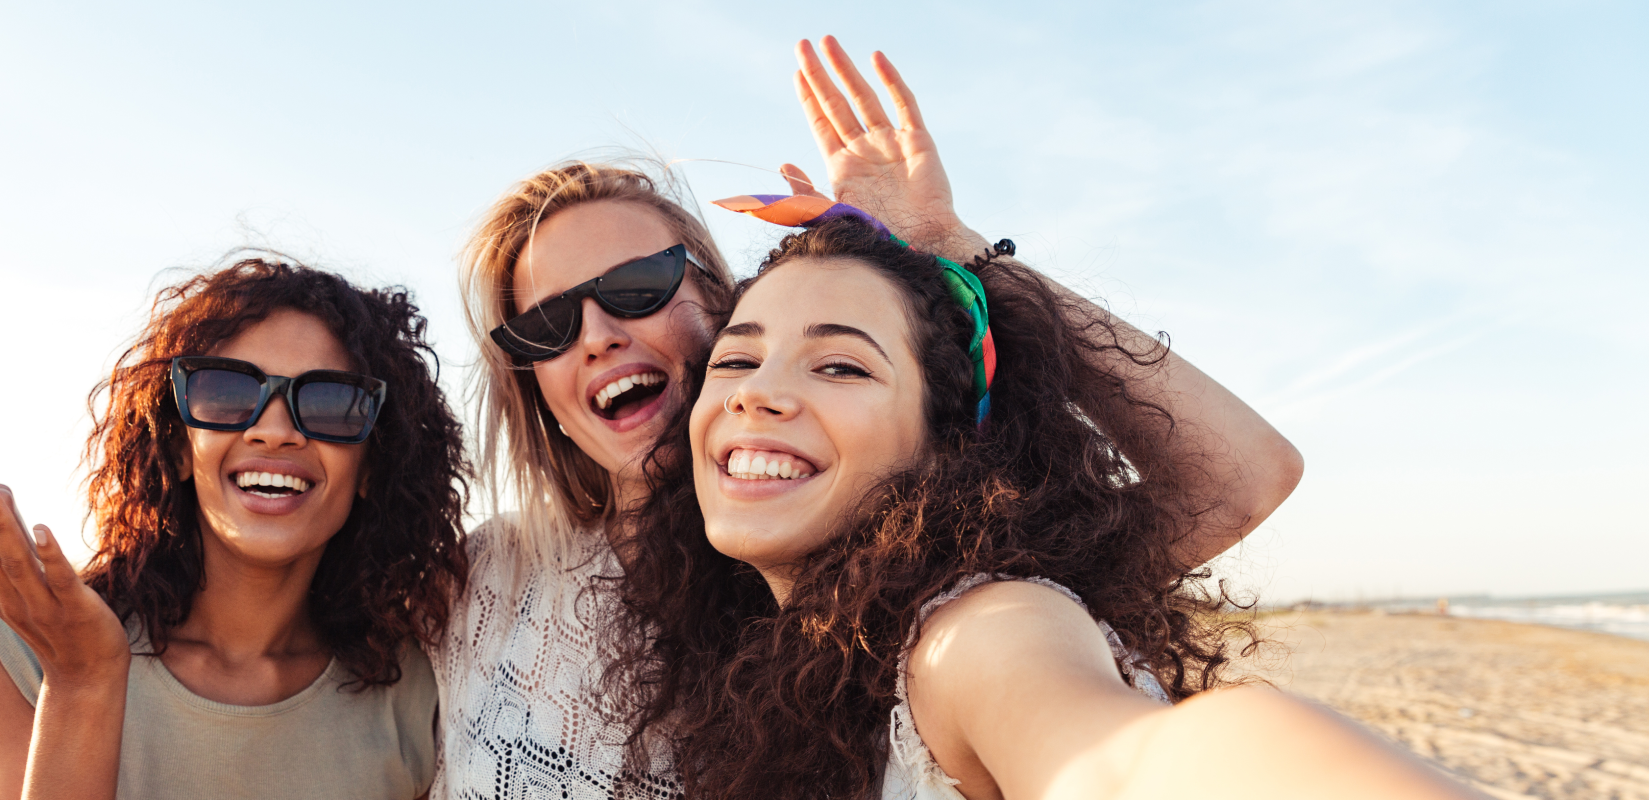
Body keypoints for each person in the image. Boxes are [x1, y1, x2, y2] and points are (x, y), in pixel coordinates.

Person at [437, 36, 1286, 798]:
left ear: (718, 302)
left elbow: (1236, 481)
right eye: (545, 324)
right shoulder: (491, 574)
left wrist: (950, 246)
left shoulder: (868, 552)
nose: (596, 334)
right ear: (531, 382)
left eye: (634, 288)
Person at [608, 213, 1474, 800]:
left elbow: (1125, 765)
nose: (760, 395)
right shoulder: (778, 659)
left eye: (841, 366)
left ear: (943, 442)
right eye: (735, 360)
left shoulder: (967, 631)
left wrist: (965, 251)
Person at [0, 258, 465, 800]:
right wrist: (82, 680)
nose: (275, 431)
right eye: (227, 393)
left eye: (333, 403)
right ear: (178, 450)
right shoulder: (17, 650)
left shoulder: (415, 685)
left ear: (373, 466)